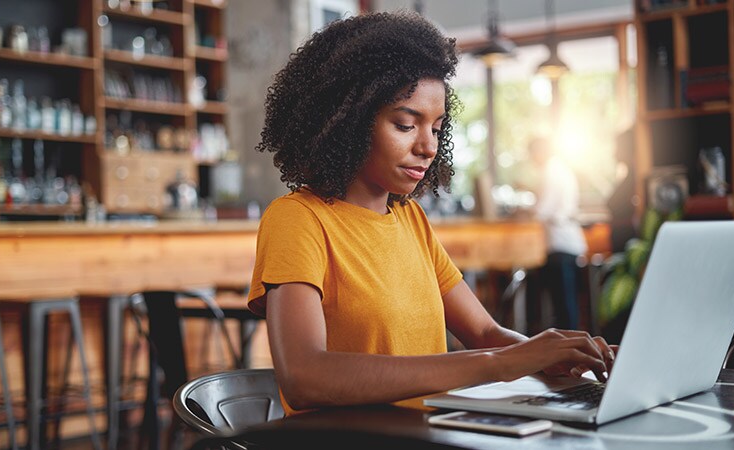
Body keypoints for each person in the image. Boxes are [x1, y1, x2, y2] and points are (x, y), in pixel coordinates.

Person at [248, 11, 613, 415]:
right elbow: (305, 377)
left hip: (430, 434)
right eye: (406, 125)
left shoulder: (410, 219)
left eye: (437, 129)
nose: (428, 147)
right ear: (346, 123)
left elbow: (485, 332)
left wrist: (548, 353)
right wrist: (501, 364)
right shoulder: (299, 219)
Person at [527, 137, 588, 330]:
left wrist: (526, 211)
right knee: (565, 304)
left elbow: (543, 210)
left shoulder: (551, 171)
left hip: (561, 244)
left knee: (564, 305)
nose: (532, 159)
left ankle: (570, 352)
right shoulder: (560, 169)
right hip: (565, 243)